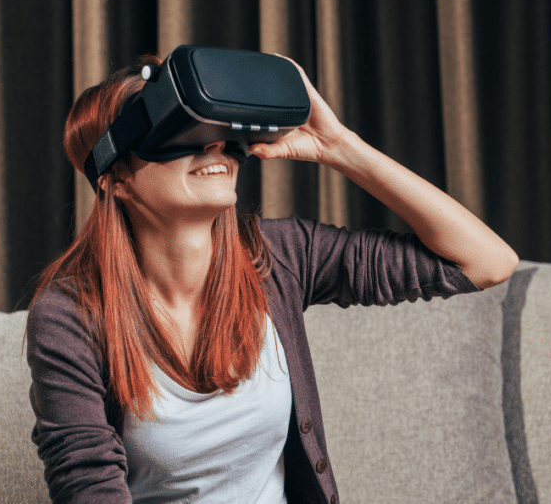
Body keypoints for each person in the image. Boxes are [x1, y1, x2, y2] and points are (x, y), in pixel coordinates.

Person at [26, 52, 518, 504]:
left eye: (218, 128)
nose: (214, 145)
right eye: (181, 132)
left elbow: (486, 262)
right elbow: (87, 485)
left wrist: (340, 146)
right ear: (117, 178)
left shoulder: (278, 257)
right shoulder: (69, 316)